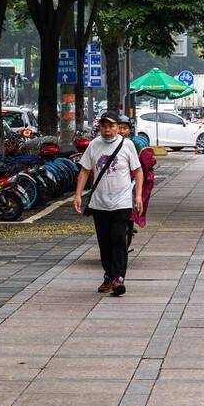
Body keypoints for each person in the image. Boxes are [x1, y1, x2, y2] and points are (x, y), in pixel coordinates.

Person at [74, 111, 143, 297]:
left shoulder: (127, 145)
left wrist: (138, 196)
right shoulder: (94, 145)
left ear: (118, 127)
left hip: (122, 202)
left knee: (119, 240)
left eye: (111, 126)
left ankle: (118, 278)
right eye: (104, 126)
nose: (107, 130)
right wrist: (78, 195)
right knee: (104, 243)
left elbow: (138, 171)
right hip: (99, 203)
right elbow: (85, 172)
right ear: (100, 127)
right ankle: (109, 275)